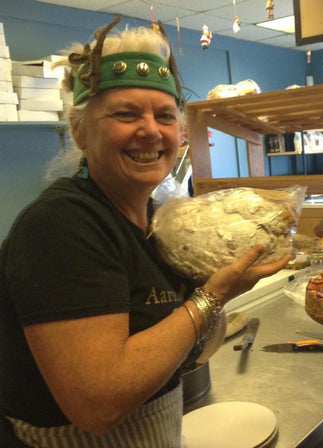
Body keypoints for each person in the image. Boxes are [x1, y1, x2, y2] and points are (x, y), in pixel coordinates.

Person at [0, 16, 290, 447]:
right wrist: (211, 297)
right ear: (80, 131)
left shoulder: (161, 222)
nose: (151, 131)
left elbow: (198, 353)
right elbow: (97, 405)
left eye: (165, 116)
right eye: (126, 114)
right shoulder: (62, 225)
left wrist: (207, 285)